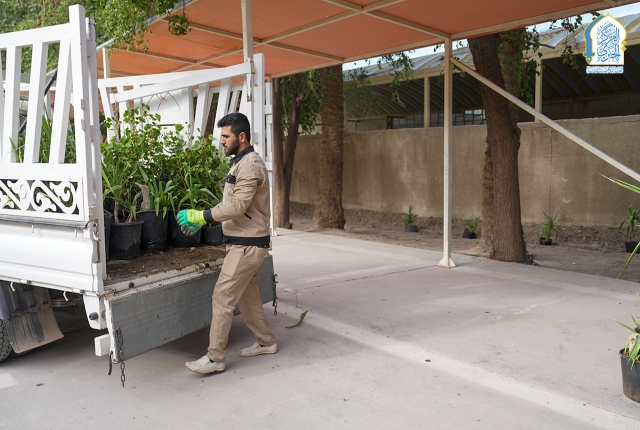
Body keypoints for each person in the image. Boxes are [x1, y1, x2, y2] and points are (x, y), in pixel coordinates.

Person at [177, 112, 276, 374]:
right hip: (243, 242)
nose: (221, 141)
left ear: (241, 137)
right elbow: (233, 204)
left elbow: (237, 206)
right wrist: (203, 220)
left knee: (222, 297)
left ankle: (215, 358)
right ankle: (266, 342)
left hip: (247, 246)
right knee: (247, 297)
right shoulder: (240, 162)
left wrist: (202, 216)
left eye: (225, 136)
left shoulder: (250, 165)